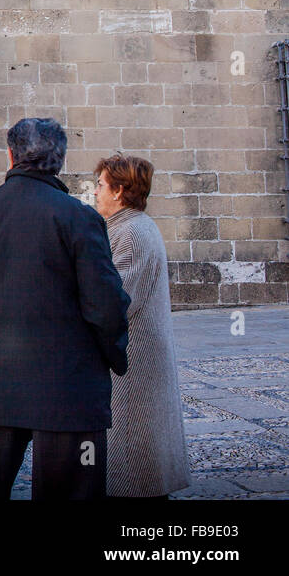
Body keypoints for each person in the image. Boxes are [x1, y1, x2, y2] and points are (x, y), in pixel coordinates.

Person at [0, 117, 130, 501]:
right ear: (59, 160)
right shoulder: (79, 217)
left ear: (10, 156)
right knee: (72, 489)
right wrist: (112, 353)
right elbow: (105, 303)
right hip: (69, 385)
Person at [93, 154, 191, 499]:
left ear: (120, 191)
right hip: (134, 354)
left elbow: (120, 300)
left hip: (135, 357)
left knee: (135, 454)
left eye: (101, 185)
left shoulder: (131, 231)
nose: (95, 192)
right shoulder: (126, 227)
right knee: (134, 448)